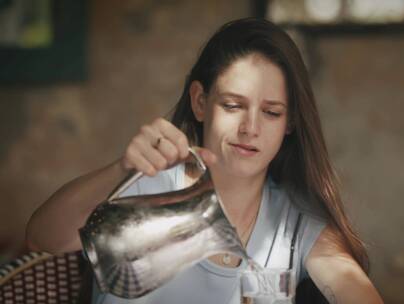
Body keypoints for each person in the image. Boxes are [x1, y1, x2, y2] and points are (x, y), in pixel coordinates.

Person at [26, 18, 384, 304]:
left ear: (290, 122)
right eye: (232, 105)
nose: (250, 129)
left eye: (272, 113)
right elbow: (43, 238)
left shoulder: (296, 221)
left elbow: (352, 287)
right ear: (200, 102)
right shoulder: (147, 181)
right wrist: (122, 169)